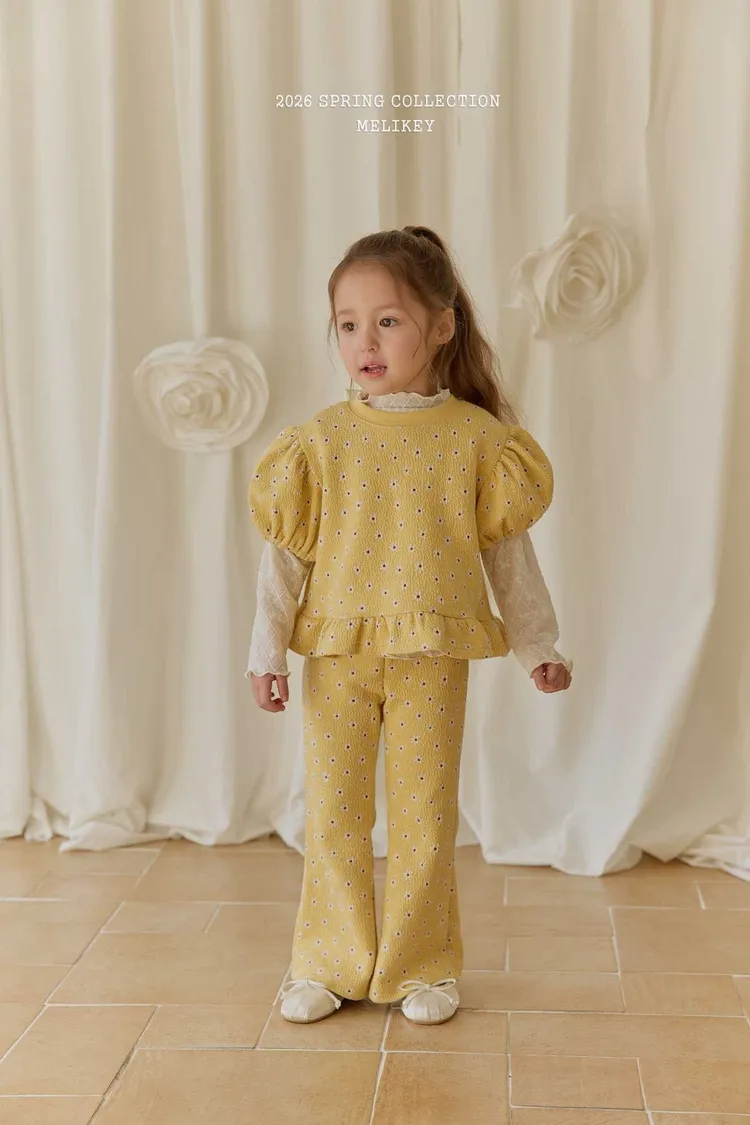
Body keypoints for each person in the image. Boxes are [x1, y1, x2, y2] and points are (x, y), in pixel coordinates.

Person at [246, 226, 573, 1027]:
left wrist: (537, 644)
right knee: (335, 814)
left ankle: (423, 964)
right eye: (348, 323)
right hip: (338, 655)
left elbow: (509, 558)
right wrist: (266, 651)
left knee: (426, 816)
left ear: (442, 325)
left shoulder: (477, 441)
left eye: (387, 321)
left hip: (433, 655)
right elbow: (284, 559)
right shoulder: (319, 443)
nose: (365, 341)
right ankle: (327, 960)